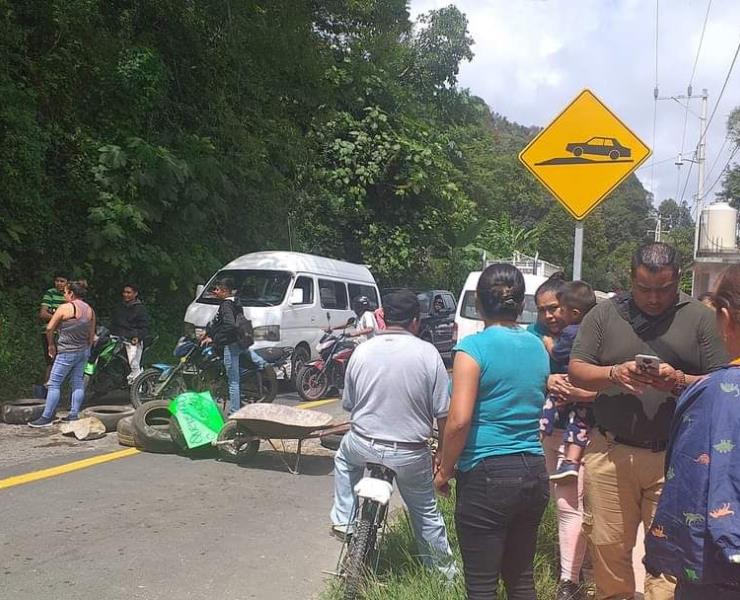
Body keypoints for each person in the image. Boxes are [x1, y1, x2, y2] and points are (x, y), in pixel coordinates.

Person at [569, 242, 729, 600]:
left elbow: (724, 381)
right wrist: (613, 373)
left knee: (669, 559)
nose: (654, 298)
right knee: (608, 549)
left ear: (679, 280)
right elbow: (577, 370)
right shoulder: (604, 314)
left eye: (664, 289)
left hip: (676, 458)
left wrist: (679, 382)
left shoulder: (699, 317)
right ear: (630, 280)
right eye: (644, 289)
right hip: (609, 453)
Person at [434, 264, 550, 599]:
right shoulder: (538, 347)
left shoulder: (473, 349)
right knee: (521, 580)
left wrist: (444, 471)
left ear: (480, 305)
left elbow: (458, 421)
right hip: (533, 470)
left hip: (487, 475)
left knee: (482, 586)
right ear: (521, 305)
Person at [330, 289, 454, 575]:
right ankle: (444, 577)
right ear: (416, 321)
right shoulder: (428, 354)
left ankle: (344, 523)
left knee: (343, 459)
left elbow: (348, 404)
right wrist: (443, 458)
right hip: (409, 453)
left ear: (382, 318)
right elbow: (443, 415)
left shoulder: (362, 350)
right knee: (425, 513)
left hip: (362, 444)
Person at [645, 264, 740, 599]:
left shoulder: (715, 393)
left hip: (720, 571)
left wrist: (662, 552)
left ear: (725, 319)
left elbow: (688, 484)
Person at [529, 272, 592, 600]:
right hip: (552, 431)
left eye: (554, 308)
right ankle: (572, 575)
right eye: (542, 310)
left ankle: (572, 577)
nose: (550, 315)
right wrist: (547, 380)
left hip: (583, 434)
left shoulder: (589, 334)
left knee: (575, 503)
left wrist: (581, 392)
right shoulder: (533, 338)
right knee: (566, 503)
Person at [541, 281, 597, 483]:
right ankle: (571, 462)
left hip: (569, 383)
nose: (553, 316)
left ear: (574, 313)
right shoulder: (596, 330)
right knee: (580, 423)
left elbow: (558, 354)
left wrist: (548, 344)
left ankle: (539, 433)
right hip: (589, 386)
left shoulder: (570, 332)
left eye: (559, 310)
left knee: (550, 404)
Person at [30, 281, 96, 427]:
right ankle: (73, 414)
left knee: (54, 383)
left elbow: (49, 328)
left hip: (66, 352)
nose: (64, 295)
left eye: (65, 292)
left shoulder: (65, 308)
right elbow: (92, 333)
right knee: (77, 382)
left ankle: (46, 417)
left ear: (71, 293)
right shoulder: (90, 309)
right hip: (83, 351)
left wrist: (51, 345)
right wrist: (87, 348)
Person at [111, 283, 150, 384]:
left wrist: (137, 336)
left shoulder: (140, 309)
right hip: (117, 337)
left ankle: (138, 389)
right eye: (124, 292)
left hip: (131, 339)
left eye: (129, 292)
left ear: (135, 294)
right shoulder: (119, 307)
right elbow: (113, 323)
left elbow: (144, 327)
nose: (126, 295)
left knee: (134, 364)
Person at [37, 273, 68, 387]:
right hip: (50, 332)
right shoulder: (50, 293)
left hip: (65, 333)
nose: (59, 283)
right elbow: (43, 313)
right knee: (50, 361)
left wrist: (55, 316)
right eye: (57, 281)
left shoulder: (69, 295)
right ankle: (48, 389)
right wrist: (60, 318)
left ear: (67, 283)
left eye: (62, 281)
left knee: (63, 361)